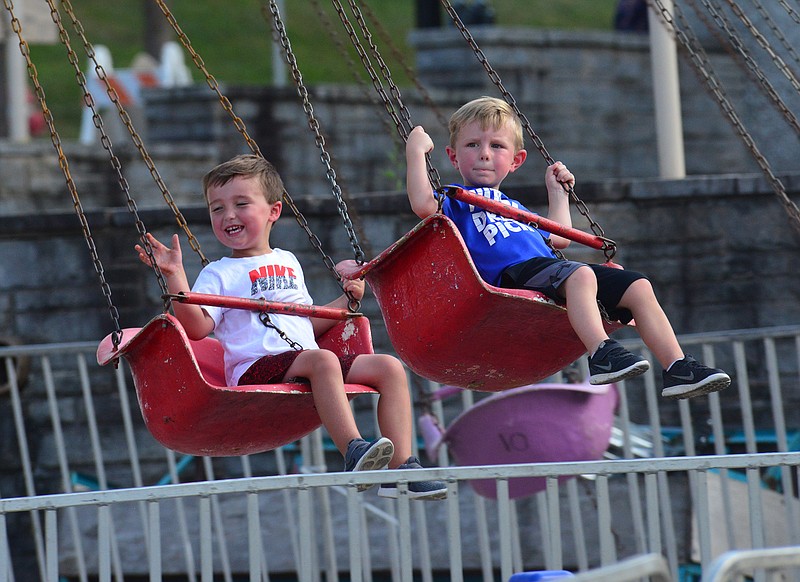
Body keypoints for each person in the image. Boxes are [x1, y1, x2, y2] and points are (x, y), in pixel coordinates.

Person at [135, 154, 446, 500]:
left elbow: (304, 321)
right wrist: (176, 275)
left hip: (301, 360)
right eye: (217, 208)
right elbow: (195, 328)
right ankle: (353, 449)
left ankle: (401, 470)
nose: (229, 215)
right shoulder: (218, 273)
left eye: (241, 204)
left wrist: (347, 301)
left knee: (389, 367)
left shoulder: (287, 261)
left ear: (273, 211)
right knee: (323, 360)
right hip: (254, 368)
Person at [404, 96, 730, 399]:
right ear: (452, 155)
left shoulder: (513, 206)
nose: (485, 153)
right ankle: (601, 353)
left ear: (516, 160)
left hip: (547, 270)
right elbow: (421, 204)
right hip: (508, 276)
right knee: (580, 275)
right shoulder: (454, 200)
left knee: (638, 285)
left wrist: (557, 193)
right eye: (472, 145)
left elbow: (557, 238)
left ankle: (677, 368)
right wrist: (416, 152)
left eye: (497, 145)